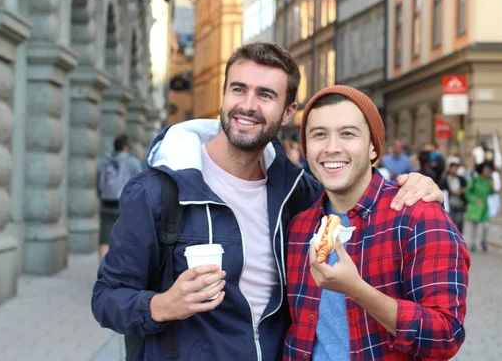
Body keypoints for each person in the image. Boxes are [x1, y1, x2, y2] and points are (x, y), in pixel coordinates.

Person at [91, 43, 444, 361]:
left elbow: (355, 188)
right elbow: (106, 298)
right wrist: (161, 305)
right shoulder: (157, 191)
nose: (248, 105)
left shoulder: (298, 194)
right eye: (238, 89)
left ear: (288, 112)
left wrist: (416, 185)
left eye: (265, 95)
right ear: (224, 96)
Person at [284, 86, 470, 360]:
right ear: (306, 149)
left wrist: (357, 290)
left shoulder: (417, 216)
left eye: (348, 134)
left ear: (373, 148)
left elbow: (445, 336)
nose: (332, 147)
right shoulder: (299, 227)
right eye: (319, 134)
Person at [96, 134, 142, 260]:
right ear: (126, 147)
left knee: (105, 237)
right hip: (125, 205)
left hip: (106, 203)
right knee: (124, 237)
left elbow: (98, 184)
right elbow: (139, 185)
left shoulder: (103, 162)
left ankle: (102, 268)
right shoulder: (132, 162)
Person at [465, 163, 493, 252]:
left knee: (486, 225)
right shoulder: (474, 180)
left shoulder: (488, 180)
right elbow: (467, 192)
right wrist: (475, 200)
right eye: (485, 169)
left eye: (488, 169)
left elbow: (491, 193)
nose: (487, 171)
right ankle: (473, 242)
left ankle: (484, 241)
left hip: (485, 206)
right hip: (475, 206)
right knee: (474, 225)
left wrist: (492, 187)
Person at [440, 157, 467, 235]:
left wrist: (460, 191)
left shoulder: (461, 179)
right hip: (450, 203)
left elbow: (464, 188)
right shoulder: (445, 179)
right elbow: (443, 190)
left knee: (460, 221)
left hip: (459, 203)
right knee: (451, 222)